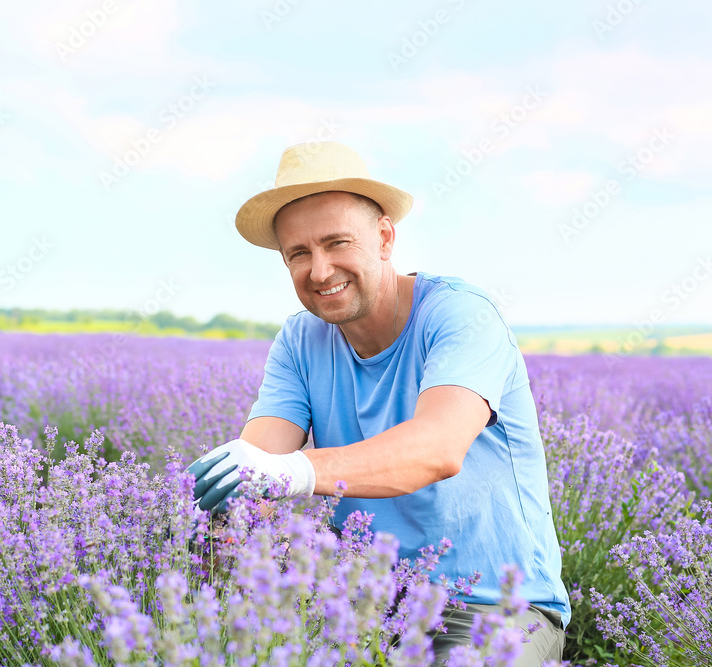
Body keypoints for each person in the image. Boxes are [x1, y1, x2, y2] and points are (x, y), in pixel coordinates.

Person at [188, 141, 570, 665]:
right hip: (365, 607)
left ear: (385, 237)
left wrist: (290, 472)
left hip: (495, 609)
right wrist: (217, 509)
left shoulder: (461, 316)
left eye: (337, 242)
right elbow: (260, 457)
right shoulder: (302, 341)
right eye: (298, 253)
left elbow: (436, 448)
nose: (320, 270)